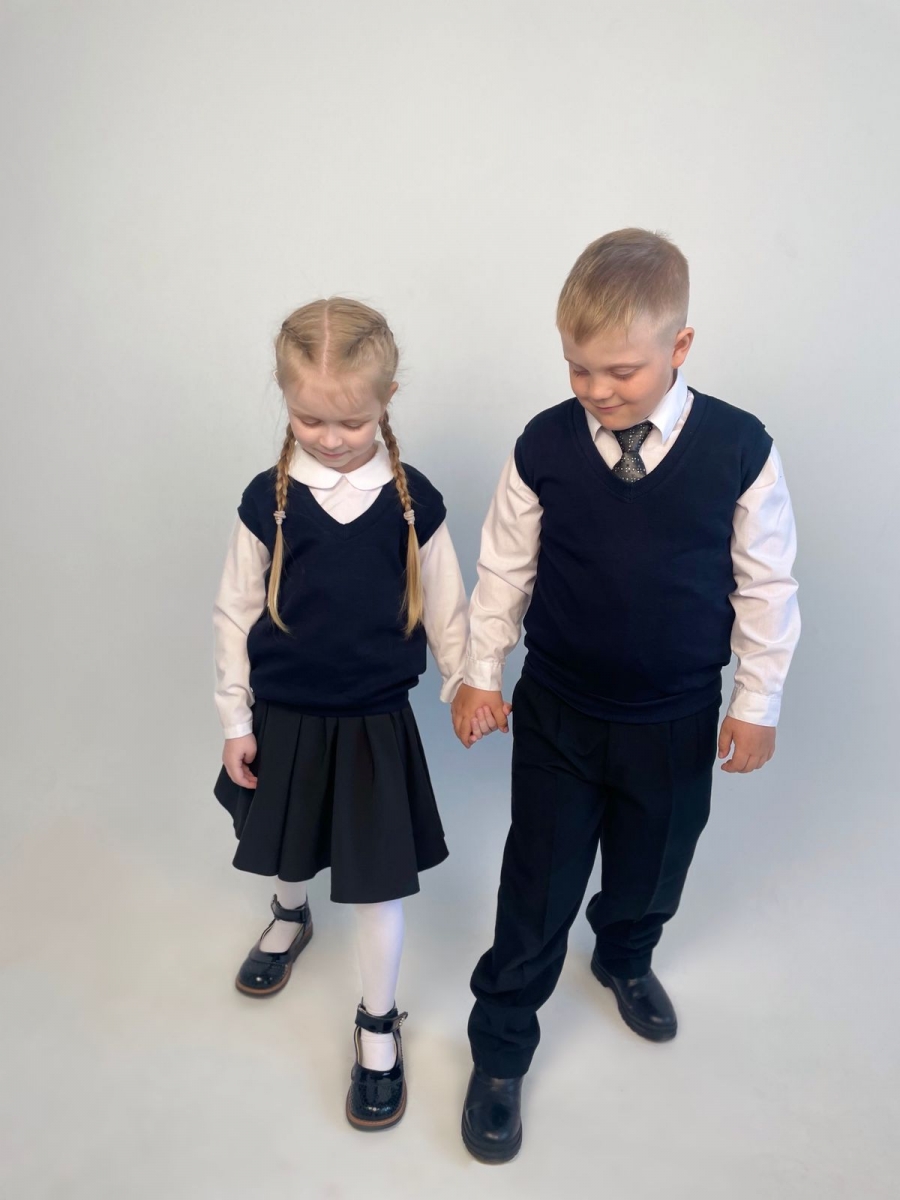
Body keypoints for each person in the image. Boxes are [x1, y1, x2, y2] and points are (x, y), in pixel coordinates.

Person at [451, 229, 801, 1163]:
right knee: (538, 884)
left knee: (654, 868)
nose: (598, 391)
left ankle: (624, 954)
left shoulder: (739, 449)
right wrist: (481, 673)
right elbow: (504, 567)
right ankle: (500, 1050)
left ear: (679, 347)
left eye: (621, 371)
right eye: (578, 369)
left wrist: (756, 701)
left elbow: (767, 584)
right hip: (560, 713)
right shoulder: (545, 445)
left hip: (675, 718)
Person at [213, 297, 467, 1131]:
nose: (329, 437)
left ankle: (377, 1022)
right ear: (286, 399)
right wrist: (236, 721)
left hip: (373, 726)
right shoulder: (269, 500)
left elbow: (449, 611)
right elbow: (233, 613)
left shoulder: (412, 501)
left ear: (388, 398)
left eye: (351, 421)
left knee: (376, 884)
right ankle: (290, 916)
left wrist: (468, 685)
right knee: (290, 841)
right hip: (285, 716)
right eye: (309, 418)